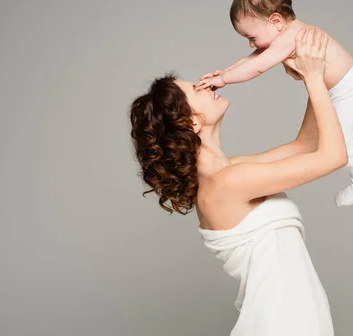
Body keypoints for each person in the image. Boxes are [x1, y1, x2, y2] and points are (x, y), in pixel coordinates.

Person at [130, 27, 341, 335]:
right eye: (196, 88)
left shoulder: (231, 171)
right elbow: (333, 156)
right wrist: (313, 77)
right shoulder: (229, 182)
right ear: (192, 121)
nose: (206, 84)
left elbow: (306, 145)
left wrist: (314, 77)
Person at [196, 0, 353, 206]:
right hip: (345, 89)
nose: (252, 45)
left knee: (346, 144)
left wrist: (224, 79)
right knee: (338, 134)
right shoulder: (282, 34)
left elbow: (258, 66)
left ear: (276, 21)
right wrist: (223, 74)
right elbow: (250, 60)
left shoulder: (292, 37)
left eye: (252, 37)